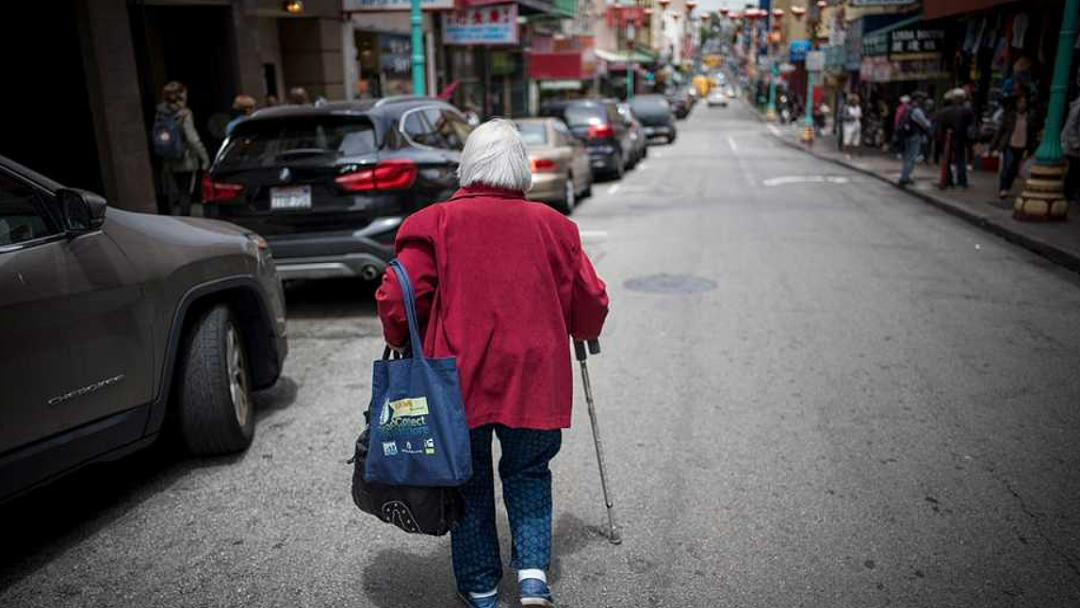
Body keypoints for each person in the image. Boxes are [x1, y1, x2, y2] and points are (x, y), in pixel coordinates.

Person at [375, 119, 609, 608]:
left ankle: (481, 586)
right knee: (529, 471)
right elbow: (589, 298)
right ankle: (531, 580)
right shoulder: (555, 227)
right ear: (520, 169)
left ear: (467, 166)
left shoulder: (433, 224)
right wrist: (585, 330)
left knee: (470, 476)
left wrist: (399, 338)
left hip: (454, 383)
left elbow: (398, 294)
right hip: (535, 377)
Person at [155, 81, 210, 216]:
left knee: (175, 193)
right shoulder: (184, 113)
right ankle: (186, 222)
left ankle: (176, 221)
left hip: (168, 158)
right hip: (185, 159)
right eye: (184, 92)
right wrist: (204, 158)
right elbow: (192, 138)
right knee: (185, 193)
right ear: (180, 94)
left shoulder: (160, 113)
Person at [992, 95, 1039, 199]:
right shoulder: (1010, 115)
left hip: (1021, 146)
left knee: (1013, 169)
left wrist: (1031, 148)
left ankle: (1007, 187)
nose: (1022, 105)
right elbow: (1000, 131)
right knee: (1007, 166)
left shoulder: (1030, 117)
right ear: (1016, 104)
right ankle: (1003, 189)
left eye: (1024, 102)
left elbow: (1032, 134)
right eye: (1020, 102)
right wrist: (993, 147)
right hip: (1009, 144)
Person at [935, 89, 975, 189]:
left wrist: (939, 139)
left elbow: (939, 127)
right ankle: (962, 181)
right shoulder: (967, 111)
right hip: (960, 139)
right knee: (960, 160)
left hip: (947, 139)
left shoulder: (944, 111)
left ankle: (949, 180)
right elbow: (970, 126)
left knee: (947, 160)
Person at [898, 92, 932, 186]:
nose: (923, 101)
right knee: (911, 157)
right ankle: (905, 177)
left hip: (907, 135)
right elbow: (925, 124)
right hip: (915, 135)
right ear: (917, 99)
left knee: (908, 157)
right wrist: (929, 122)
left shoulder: (908, 108)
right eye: (921, 98)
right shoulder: (916, 110)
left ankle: (905, 176)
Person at [1061, 68, 1080, 204]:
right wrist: (1076, 143)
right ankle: (1068, 194)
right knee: (1073, 171)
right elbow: (1071, 125)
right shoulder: (1078, 103)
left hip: (1074, 144)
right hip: (1074, 146)